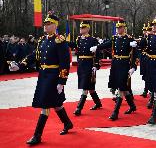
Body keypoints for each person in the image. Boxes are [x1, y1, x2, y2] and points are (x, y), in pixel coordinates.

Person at [9, 12, 73, 145]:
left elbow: (64, 62)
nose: (45, 26)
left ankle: (37, 135)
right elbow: (34, 56)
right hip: (43, 75)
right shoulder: (43, 40)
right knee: (56, 104)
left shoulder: (59, 41)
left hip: (53, 76)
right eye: (45, 23)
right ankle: (67, 123)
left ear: (55, 26)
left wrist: (62, 81)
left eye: (48, 24)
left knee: (45, 105)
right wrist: (20, 65)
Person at [91, 20, 138, 121]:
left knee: (121, 87)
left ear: (124, 28)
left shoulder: (129, 39)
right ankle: (132, 106)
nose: (118, 29)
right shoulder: (114, 38)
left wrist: (133, 66)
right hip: (116, 64)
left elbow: (135, 54)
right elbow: (107, 44)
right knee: (123, 87)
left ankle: (115, 112)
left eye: (120, 28)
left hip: (125, 64)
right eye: (117, 28)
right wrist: (97, 47)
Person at [69, 21, 102, 116]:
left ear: (88, 29)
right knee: (90, 88)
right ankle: (98, 103)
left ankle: (79, 108)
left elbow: (98, 53)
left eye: (83, 27)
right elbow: (74, 46)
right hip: (81, 64)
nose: (81, 29)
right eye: (80, 27)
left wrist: (96, 65)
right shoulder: (79, 39)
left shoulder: (92, 40)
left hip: (89, 65)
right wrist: (64, 42)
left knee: (85, 87)